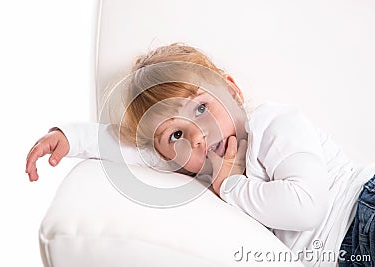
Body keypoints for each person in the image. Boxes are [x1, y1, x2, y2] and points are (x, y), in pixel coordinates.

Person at [25, 43, 375, 266]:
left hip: (360, 215)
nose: (197, 136)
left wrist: (230, 186)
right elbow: (131, 148)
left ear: (232, 90)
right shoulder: (196, 166)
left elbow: (307, 207)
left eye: (201, 108)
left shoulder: (272, 124)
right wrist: (69, 138)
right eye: (175, 134)